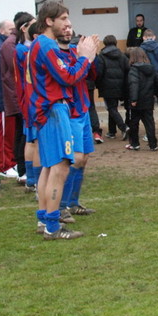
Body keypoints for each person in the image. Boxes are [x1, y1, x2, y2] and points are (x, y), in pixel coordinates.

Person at [28, 1, 98, 240]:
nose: (68, 24)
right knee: (59, 167)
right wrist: (86, 58)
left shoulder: (40, 45)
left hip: (46, 111)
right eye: (64, 19)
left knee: (49, 168)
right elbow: (68, 77)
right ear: (49, 21)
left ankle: (45, 220)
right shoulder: (46, 46)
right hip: (54, 111)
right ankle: (52, 227)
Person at [56, 21, 97, 219]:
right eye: (63, 26)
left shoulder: (76, 51)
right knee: (75, 158)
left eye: (69, 26)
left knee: (84, 159)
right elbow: (69, 77)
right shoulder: (56, 55)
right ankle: (61, 206)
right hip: (69, 112)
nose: (67, 29)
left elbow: (90, 74)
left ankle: (73, 203)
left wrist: (92, 56)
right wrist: (84, 58)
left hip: (83, 109)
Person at [0, 13, 33, 183]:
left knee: (24, 133)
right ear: (24, 27)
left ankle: (25, 170)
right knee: (22, 133)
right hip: (17, 96)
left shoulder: (15, 44)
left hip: (19, 95)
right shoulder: (12, 45)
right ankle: (22, 170)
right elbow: (16, 73)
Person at [0, 19, 18, 178]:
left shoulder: (6, 46)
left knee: (13, 133)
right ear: (2, 31)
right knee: (5, 132)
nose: (13, 31)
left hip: (10, 98)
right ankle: (4, 166)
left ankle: (12, 162)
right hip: (3, 99)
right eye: (10, 29)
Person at [15, 18, 41, 192]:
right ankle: (34, 179)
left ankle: (32, 179)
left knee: (31, 139)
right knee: (34, 140)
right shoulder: (24, 49)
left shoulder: (22, 48)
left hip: (28, 98)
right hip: (31, 98)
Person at [126, 47, 158, 151]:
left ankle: (135, 143)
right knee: (149, 122)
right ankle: (153, 144)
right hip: (148, 99)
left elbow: (134, 84)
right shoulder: (151, 68)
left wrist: (133, 99)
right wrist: (154, 92)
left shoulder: (133, 69)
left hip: (137, 101)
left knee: (134, 123)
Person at [96, 35, 130, 140]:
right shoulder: (122, 55)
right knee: (113, 108)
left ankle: (124, 127)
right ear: (115, 42)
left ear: (105, 43)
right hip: (120, 86)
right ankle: (112, 131)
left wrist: (98, 84)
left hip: (106, 86)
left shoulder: (102, 56)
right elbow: (127, 70)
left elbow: (99, 72)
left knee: (111, 108)